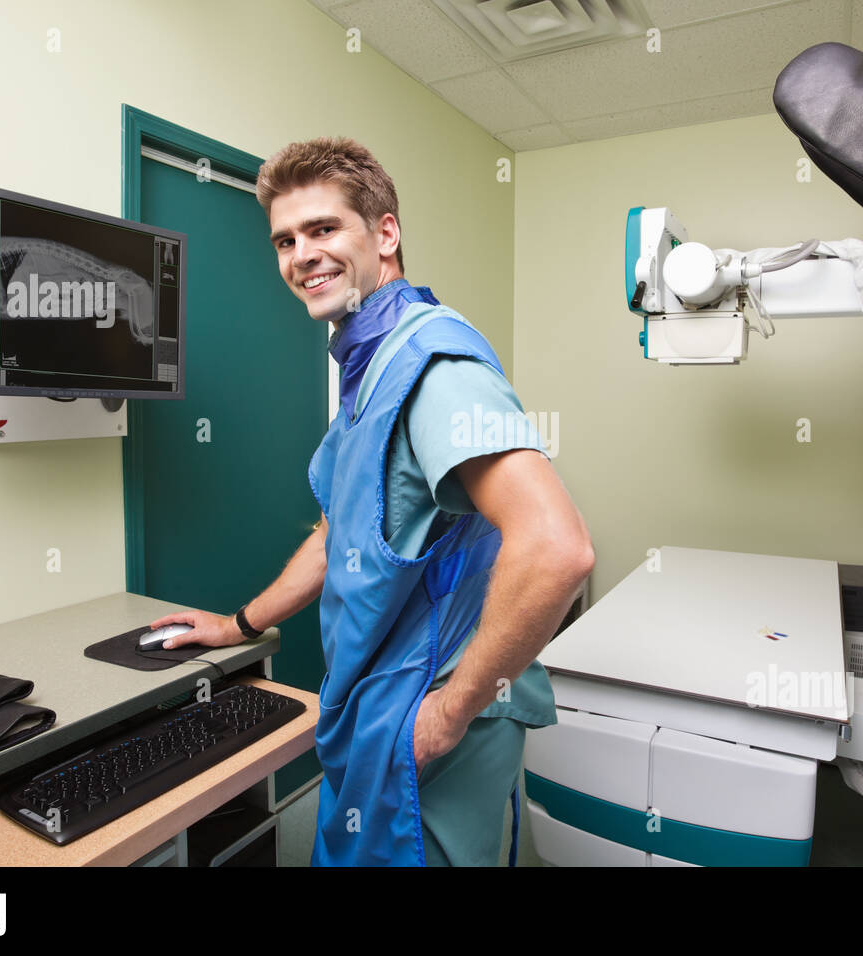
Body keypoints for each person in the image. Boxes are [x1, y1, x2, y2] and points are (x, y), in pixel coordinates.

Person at [148, 136, 594, 866]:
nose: (302, 255)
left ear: (385, 233)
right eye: (285, 240)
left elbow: (557, 548)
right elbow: (341, 533)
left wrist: (448, 716)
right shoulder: (371, 368)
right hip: (376, 705)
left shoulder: (433, 364)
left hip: (427, 714)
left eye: (324, 230)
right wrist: (239, 624)